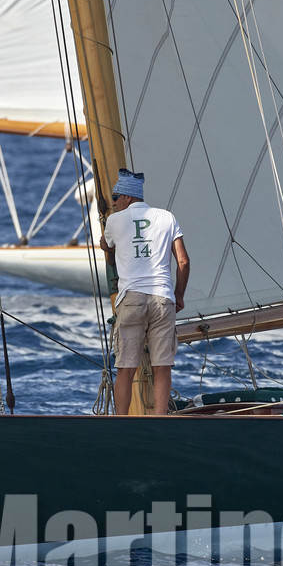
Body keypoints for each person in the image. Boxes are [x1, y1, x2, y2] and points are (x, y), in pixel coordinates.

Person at [100, 168, 189, 416]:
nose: (114, 202)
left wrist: (105, 240)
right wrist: (178, 295)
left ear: (128, 197)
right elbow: (182, 261)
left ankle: (121, 423)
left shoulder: (114, 221)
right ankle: (160, 420)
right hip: (163, 298)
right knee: (163, 367)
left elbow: (107, 246)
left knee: (125, 369)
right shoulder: (167, 217)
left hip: (131, 300)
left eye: (117, 197)